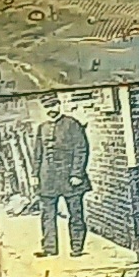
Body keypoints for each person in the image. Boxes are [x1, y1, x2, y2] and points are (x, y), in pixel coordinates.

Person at [38, 108, 91, 258]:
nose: (51, 109)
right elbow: (38, 153)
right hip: (48, 179)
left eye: (53, 105)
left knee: (75, 214)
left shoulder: (72, 124)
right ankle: (49, 248)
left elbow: (81, 149)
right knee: (47, 215)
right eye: (46, 106)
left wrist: (77, 173)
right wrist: (36, 174)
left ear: (59, 105)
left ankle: (77, 247)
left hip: (70, 178)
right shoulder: (43, 127)